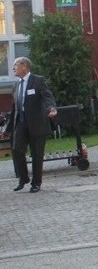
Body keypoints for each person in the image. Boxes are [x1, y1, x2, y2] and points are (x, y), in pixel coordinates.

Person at [3, 57, 57, 193]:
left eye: (15, 65)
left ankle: (36, 183)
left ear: (24, 66)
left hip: (37, 123)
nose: (13, 68)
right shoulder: (15, 85)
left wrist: (52, 108)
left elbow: (47, 96)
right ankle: (23, 178)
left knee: (37, 154)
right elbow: (14, 108)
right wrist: (8, 129)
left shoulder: (38, 80)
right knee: (17, 149)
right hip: (21, 123)